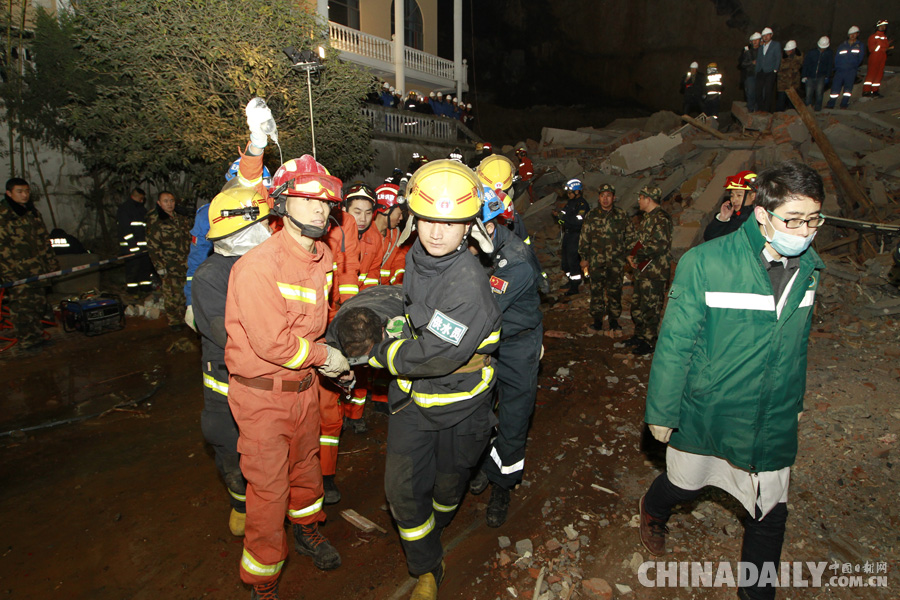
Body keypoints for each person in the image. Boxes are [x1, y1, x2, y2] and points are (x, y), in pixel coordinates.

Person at [639, 161, 826, 600]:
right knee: (687, 481)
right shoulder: (705, 263)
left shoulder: (809, 270)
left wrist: (794, 401)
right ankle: (653, 507)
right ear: (762, 214)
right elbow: (675, 342)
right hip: (712, 407)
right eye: (792, 220)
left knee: (770, 510)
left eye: (812, 219)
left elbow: (796, 346)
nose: (803, 231)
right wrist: (663, 410)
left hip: (772, 413)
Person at [224, 99, 348, 600]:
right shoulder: (257, 266)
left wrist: (334, 355)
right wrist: (326, 358)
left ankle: (309, 527)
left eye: (325, 201)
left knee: (305, 470)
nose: (320, 207)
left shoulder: (322, 257)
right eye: (308, 199)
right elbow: (274, 342)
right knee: (269, 492)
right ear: (283, 203)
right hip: (262, 397)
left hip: (303, 391)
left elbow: (321, 319)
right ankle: (263, 581)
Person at [366, 159, 502, 600]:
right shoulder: (418, 260)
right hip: (413, 404)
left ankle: (439, 524)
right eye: (427, 220)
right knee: (401, 489)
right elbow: (411, 315)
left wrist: (381, 352)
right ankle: (426, 564)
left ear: (468, 229)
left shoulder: (467, 284)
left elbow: (435, 355)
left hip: (462, 405)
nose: (436, 232)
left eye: (450, 223)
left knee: (448, 485)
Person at [192, 182, 272, 539]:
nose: (270, 231)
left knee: (268, 448)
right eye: (262, 225)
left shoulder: (268, 267)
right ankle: (240, 502)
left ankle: (268, 501)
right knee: (227, 442)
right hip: (226, 381)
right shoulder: (211, 276)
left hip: (266, 380)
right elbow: (229, 335)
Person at [467, 189, 544, 528]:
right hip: (485, 343)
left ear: (489, 226)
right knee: (478, 410)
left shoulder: (514, 259)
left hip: (515, 345)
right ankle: (486, 464)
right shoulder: (474, 247)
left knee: (513, 416)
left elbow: (482, 311)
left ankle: (502, 484)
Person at [318, 179, 362, 505]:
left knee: (330, 416)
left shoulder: (343, 224)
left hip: (331, 324)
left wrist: (347, 321)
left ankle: (326, 475)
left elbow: (348, 273)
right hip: (296, 337)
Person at [341, 183, 385, 433]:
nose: (362, 218)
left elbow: (374, 274)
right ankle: (332, 418)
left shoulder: (374, 238)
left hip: (359, 310)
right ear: (345, 209)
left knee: (359, 364)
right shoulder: (335, 234)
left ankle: (355, 415)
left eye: (368, 212)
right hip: (333, 310)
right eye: (357, 211)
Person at [0, 178, 59, 354]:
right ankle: (27, 341)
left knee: (37, 303)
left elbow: (43, 240)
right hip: (17, 271)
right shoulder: (4, 215)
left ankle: (37, 336)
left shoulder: (32, 212)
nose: (24, 195)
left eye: (26, 191)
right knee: (22, 307)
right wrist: (8, 273)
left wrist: (51, 262)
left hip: (38, 268)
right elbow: (2, 248)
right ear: (9, 193)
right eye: (19, 191)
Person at [579, 183, 635, 332]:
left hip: (616, 262)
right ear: (599, 198)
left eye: (608, 196)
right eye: (602, 196)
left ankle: (614, 321)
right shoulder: (591, 216)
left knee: (615, 292)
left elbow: (630, 237)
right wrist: (584, 258)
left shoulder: (621, 215)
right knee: (596, 291)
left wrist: (631, 255)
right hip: (596, 261)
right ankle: (597, 320)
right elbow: (584, 238)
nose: (605, 199)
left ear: (614, 198)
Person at [624, 186, 672, 355]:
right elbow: (642, 242)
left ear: (648, 199)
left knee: (651, 308)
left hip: (654, 272)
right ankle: (639, 336)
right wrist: (632, 255)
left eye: (641, 198)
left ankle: (649, 341)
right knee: (638, 305)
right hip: (642, 271)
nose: (638, 201)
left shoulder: (661, 219)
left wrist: (637, 256)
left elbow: (658, 245)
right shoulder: (647, 218)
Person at [146, 191, 192, 329]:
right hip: (168, 264)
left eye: (171, 201)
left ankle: (185, 318)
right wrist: (159, 266)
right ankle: (174, 321)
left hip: (184, 263)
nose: (169, 204)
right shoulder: (156, 221)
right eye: (166, 201)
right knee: (172, 295)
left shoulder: (181, 218)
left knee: (184, 292)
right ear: (159, 203)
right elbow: (152, 247)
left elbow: (188, 239)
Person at [553, 178, 590, 296]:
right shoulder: (570, 203)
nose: (568, 195)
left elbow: (578, 221)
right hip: (568, 234)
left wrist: (563, 218)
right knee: (565, 262)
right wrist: (559, 217)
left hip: (576, 235)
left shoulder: (582, 204)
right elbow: (563, 216)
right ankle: (570, 281)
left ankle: (575, 286)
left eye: (570, 192)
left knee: (573, 260)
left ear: (577, 192)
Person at [117, 187, 154, 292]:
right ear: (134, 196)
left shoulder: (142, 210)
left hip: (144, 247)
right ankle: (132, 291)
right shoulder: (125, 209)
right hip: (130, 247)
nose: (142, 201)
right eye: (140, 198)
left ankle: (145, 288)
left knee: (145, 268)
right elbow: (124, 229)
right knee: (133, 269)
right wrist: (132, 244)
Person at [704, 171, 758, 241]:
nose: (734, 200)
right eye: (732, 195)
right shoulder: (734, 217)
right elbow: (709, 238)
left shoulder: (757, 219)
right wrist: (722, 219)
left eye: (739, 195)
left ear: (753, 196)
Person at [827, 26, 866, 109]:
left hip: (851, 71)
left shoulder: (860, 45)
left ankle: (844, 104)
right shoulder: (842, 45)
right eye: (851, 34)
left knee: (848, 89)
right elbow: (837, 57)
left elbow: (860, 58)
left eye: (854, 34)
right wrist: (837, 68)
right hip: (840, 70)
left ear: (857, 34)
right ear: (848, 35)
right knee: (835, 88)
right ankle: (831, 104)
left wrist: (853, 66)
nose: (852, 36)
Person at [801, 37, 833, 112]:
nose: (822, 49)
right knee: (808, 95)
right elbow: (806, 64)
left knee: (819, 94)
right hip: (810, 76)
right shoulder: (812, 53)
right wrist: (804, 75)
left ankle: (818, 110)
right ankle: (808, 110)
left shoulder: (829, 53)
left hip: (821, 76)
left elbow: (829, 65)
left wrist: (827, 76)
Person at [755, 27, 781, 113]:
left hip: (770, 71)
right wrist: (757, 70)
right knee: (758, 91)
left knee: (768, 91)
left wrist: (775, 70)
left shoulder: (776, 45)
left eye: (767, 35)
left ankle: (766, 110)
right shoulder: (761, 47)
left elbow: (778, 58)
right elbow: (759, 59)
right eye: (764, 36)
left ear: (771, 35)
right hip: (761, 71)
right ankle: (760, 108)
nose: (766, 37)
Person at [864, 19, 891, 97]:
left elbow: (884, 46)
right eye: (881, 26)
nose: (883, 27)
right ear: (877, 26)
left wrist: (886, 47)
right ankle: (866, 90)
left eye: (884, 26)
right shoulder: (873, 37)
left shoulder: (884, 37)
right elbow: (871, 49)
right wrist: (882, 48)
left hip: (882, 57)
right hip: (875, 57)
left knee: (879, 74)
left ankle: (875, 90)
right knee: (871, 73)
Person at [775, 41, 802, 111]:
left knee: (792, 103)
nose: (787, 52)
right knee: (781, 101)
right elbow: (779, 67)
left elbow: (799, 66)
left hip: (793, 84)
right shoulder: (781, 57)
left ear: (793, 50)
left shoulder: (799, 56)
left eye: (789, 50)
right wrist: (789, 65)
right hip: (782, 83)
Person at [740, 32, 762, 112]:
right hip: (750, 75)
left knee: (759, 94)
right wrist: (752, 63)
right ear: (751, 42)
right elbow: (742, 64)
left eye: (757, 40)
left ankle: (758, 110)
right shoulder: (748, 52)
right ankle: (751, 109)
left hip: (760, 75)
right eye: (753, 40)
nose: (755, 42)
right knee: (751, 93)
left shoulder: (763, 51)